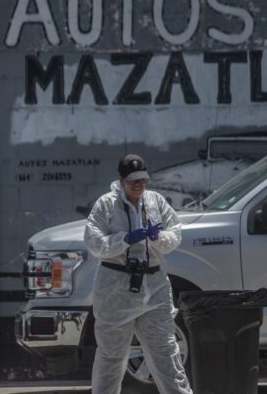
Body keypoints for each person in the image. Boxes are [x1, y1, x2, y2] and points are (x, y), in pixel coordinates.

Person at [84, 154, 192, 394]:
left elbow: (175, 232)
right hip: (115, 289)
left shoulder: (156, 202)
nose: (138, 185)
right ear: (121, 180)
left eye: (142, 179)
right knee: (111, 356)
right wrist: (124, 240)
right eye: (133, 180)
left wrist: (158, 238)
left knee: (166, 352)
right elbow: (93, 242)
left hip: (154, 287)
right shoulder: (106, 205)